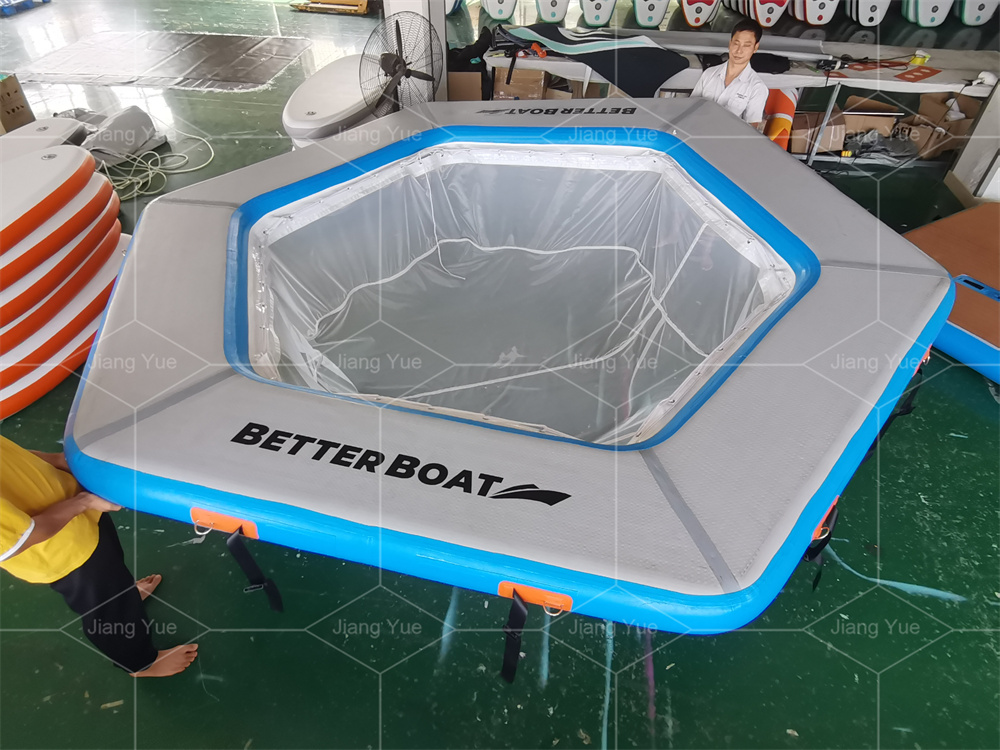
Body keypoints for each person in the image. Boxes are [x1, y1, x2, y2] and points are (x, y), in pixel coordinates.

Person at [0, 436, 198, 677]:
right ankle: (140, 664)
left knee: (114, 577)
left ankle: (126, 596)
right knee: (108, 611)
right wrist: (83, 502)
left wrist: (57, 461)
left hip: (76, 511)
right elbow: (25, 537)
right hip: (62, 551)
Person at [690, 19, 769, 128]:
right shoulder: (709, 74)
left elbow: (750, 129)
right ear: (730, 43)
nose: (739, 51)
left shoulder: (757, 88)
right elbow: (691, 108)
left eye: (746, 45)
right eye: (736, 44)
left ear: (755, 48)